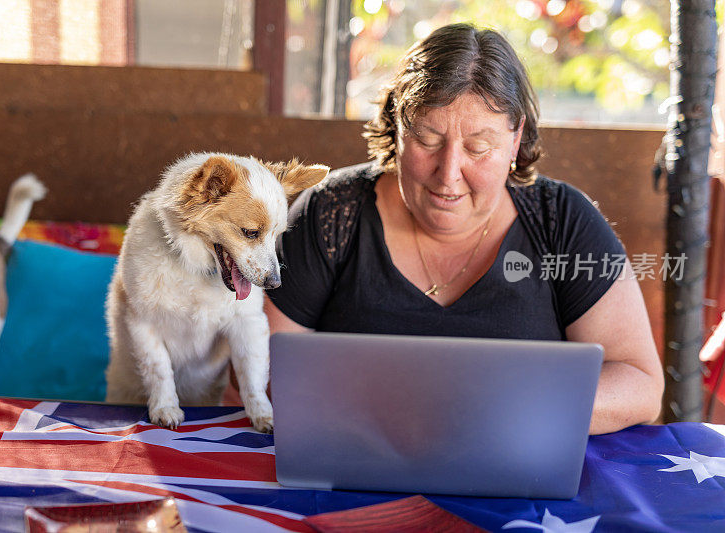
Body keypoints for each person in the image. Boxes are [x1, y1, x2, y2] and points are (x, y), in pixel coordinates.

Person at [264, 23, 663, 435]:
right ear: (397, 125)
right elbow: (264, 363)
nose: (448, 174)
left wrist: (504, 410)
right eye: (428, 139)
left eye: (478, 147)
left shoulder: (560, 220)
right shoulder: (332, 212)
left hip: (521, 478)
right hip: (355, 466)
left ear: (515, 138)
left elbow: (639, 383)